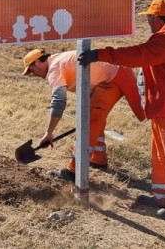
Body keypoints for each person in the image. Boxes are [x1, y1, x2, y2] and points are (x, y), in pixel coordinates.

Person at [78, 0, 165, 224]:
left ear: (157, 19)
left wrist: (100, 54)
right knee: (160, 157)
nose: (147, 21)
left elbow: (137, 55)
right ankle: (163, 199)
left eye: (148, 18)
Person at [22, 49, 145, 182]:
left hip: (114, 78)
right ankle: (98, 159)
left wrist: (49, 132)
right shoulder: (57, 60)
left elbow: (58, 102)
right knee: (94, 117)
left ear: (37, 62)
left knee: (88, 123)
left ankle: (74, 171)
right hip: (114, 74)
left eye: (31, 70)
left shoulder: (54, 69)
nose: (32, 74)